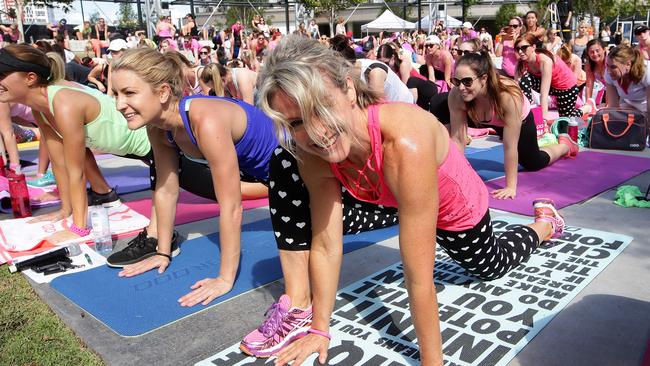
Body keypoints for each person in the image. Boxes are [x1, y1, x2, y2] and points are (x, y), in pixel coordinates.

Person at [240, 35, 567, 364]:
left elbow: (419, 278)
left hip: (452, 206)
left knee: (490, 266)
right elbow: (326, 243)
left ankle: (543, 225)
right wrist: (320, 329)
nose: (315, 131)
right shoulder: (312, 152)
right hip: (386, 199)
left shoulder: (404, 141)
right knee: (285, 162)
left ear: (350, 90)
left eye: (320, 109)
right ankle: (299, 307)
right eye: (296, 122)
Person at [109, 47, 273, 304]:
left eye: (129, 93)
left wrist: (224, 278)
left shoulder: (204, 120)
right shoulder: (159, 130)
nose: (119, 104)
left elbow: (231, 207)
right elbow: (165, 189)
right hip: (258, 175)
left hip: (297, 172)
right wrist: (162, 252)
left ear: (163, 92)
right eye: (116, 94)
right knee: (173, 175)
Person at [0, 45, 151, 243]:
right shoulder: (40, 108)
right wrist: (65, 209)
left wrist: (79, 228)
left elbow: (76, 171)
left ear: (30, 78)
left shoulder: (63, 102)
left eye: (2, 74)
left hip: (151, 144)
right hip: (127, 148)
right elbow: (59, 163)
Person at [451, 52, 578, 198]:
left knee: (533, 163)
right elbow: (458, 140)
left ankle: (565, 145)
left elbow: (510, 146)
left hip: (519, 119)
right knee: (438, 104)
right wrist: (456, 178)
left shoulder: (508, 96)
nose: (460, 87)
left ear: (483, 79)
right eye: (456, 81)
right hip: (483, 117)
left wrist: (510, 187)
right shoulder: (457, 95)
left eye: (467, 81)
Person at [515, 33, 582, 119]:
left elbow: (544, 94)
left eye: (524, 48)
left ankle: (585, 108)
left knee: (565, 120)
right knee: (525, 80)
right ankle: (526, 113)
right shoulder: (521, 62)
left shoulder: (544, 61)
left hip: (566, 87)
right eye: (518, 49)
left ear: (533, 47)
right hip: (551, 85)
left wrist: (544, 119)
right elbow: (517, 87)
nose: (520, 52)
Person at [377, 43, 438, 110]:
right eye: (380, 63)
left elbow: (404, 90)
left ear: (393, 58)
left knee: (411, 82)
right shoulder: (386, 69)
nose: (383, 65)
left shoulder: (403, 65)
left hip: (426, 88)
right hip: (416, 95)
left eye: (386, 63)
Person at [604, 45, 650, 117]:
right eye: (607, 66)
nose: (609, 71)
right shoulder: (608, 73)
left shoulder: (646, 72)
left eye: (613, 67)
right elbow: (613, 106)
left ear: (628, 64)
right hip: (630, 105)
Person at [584, 39, 608, 104]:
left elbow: (612, 85)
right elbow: (589, 85)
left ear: (604, 49)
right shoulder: (589, 64)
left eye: (597, 51)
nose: (595, 54)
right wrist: (588, 103)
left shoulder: (609, 61)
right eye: (591, 52)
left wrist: (608, 104)